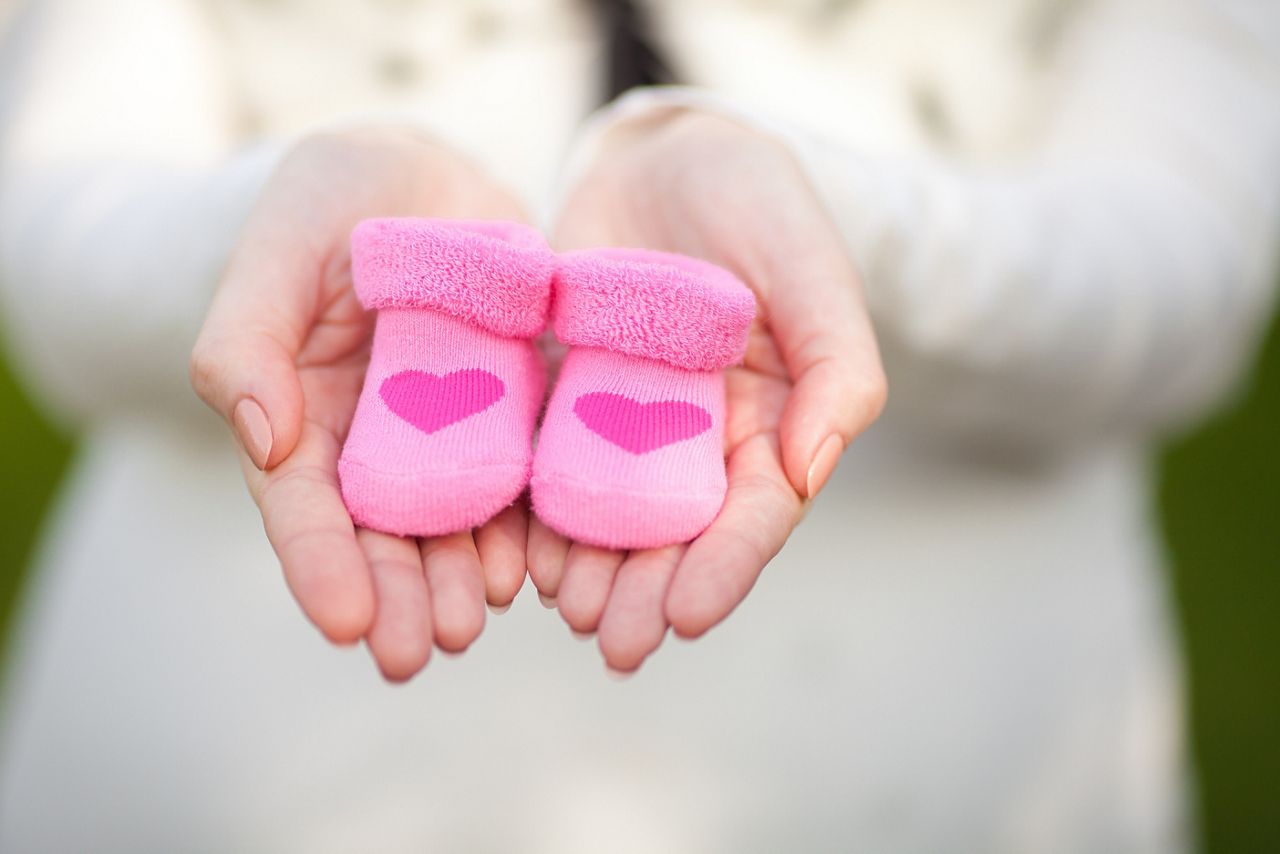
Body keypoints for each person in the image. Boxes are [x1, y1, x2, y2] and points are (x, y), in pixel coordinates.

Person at [0, 0, 1277, 851]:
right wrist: (272, 246)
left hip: (940, 784)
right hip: (222, 764)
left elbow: (1189, 249)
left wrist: (840, 236)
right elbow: (58, 210)